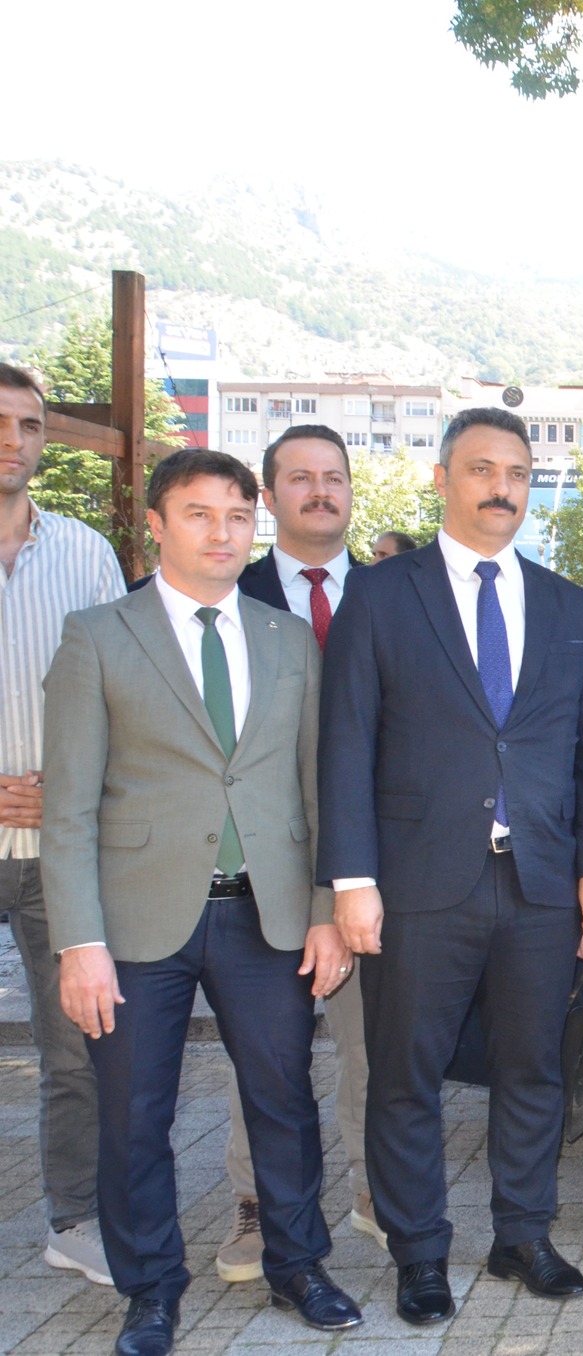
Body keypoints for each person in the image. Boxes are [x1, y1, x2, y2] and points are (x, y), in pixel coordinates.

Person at [43, 449, 361, 1356]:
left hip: (266, 915)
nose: (222, 533)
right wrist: (79, 942)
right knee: (136, 1114)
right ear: (157, 523)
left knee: (284, 1100)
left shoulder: (284, 638)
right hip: (135, 923)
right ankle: (149, 1288)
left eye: (236, 515)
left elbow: (315, 788)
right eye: (198, 514)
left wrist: (326, 908)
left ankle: (298, 1265)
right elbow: (67, 807)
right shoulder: (99, 635)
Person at [319, 407, 583, 1324]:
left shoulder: (570, 605)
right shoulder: (382, 595)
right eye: (483, 469)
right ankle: (419, 1254)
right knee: (406, 1075)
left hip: (539, 883)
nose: (503, 487)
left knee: (533, 1068)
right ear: (444, 478)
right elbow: (345, 745)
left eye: (519, 472)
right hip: (415, 884)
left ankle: (523, 1236)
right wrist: (352, 879)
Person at [214, 424, 382, 1282]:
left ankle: (374, 1192)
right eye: (300, 478)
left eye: (335, 477)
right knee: (268, 1049)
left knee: (372, 1044)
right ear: (269, 494)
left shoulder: (399, 593)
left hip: (371, 864)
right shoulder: (222, 594)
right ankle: (257, 1204)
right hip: (262, 864)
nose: (321, 492)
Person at [0, 362, 125, 1288]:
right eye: (0, 421)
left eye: (29, 425)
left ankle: (75, 1220)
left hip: (57, 848)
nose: (14, 439)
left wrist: (78, 782)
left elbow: (132, 690)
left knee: (73, 1049)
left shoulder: (85, 553)